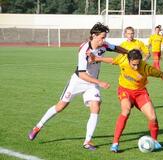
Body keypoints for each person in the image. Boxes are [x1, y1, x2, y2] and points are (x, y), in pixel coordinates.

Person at [28, 22, 128, 151]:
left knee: (96, 106)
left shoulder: (104, 45)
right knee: (61, 106)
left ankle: (87, 141)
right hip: (78, 81)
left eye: (104, 37)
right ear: (94, 35)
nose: (104, 40)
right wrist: (100, 83)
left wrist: (129, 53)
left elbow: (116, 48)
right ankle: (38, 126)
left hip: (92, 83)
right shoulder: (84, 50)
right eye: (102, 37)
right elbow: (81, 75)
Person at [90, 49, 163, 152]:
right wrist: (97, 58)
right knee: (126, 111)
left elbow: (162, 74)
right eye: (133, 64)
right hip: (125, 90)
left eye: (138, 64)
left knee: (152, 117)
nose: (136, 67)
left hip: (140, 93)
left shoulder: (146, 68)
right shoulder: (122, 60)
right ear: (128, 60)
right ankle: (115, 143)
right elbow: (111, 60)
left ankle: (154, 141)